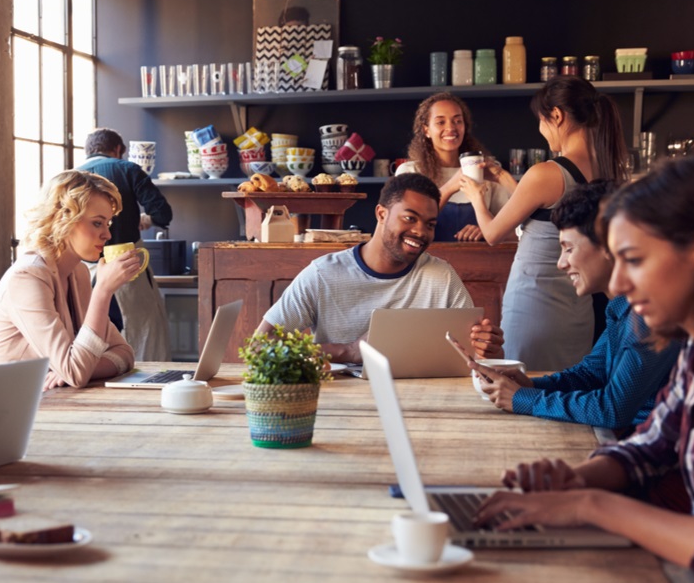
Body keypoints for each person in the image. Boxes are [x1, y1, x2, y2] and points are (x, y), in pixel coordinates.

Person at [475, 152, 694, 583]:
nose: (616, 285)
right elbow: (649, 448)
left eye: (634, 261)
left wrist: (590, 505)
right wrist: (575, 480)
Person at [476, 180, 680, 435]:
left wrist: (523, 399)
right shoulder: (622, 307)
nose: (561, 263)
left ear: (609, 245)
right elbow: (590, 374)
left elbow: (613, 409)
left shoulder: (648, 314)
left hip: (653, 456)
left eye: (568, 249)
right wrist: (530, 386)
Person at [463, 75, 629, 372]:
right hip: (578, 311)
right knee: (566, 390)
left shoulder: (546, 173)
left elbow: (492, 234)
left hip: (534, 305)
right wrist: (504, 179)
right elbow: (550, 213)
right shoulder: (608, 169)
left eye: (541, 121)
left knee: (524, 391)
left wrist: (476, 196)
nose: (541, 130)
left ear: (556, 116)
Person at [256, 173, 503, 364]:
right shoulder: (323, 274)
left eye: (430, 224)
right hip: (338, 407)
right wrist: (348, 351)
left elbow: (475, 355)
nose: (420, 231)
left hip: (423, 403)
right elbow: (259, 346)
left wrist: (489, 347)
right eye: (409, 218)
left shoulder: (441, 276)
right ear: (381, 214)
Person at [0, 170, 138, 390]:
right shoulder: (27, 278)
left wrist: (79, 368)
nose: (108, 235)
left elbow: (125, 354)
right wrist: (103, 291)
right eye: (97, 223)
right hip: (5, 413)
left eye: (107, 224)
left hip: (46, 402)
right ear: (64, 219)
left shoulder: (78, 272)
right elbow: (75, 373)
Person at [76, 128, 173, 361]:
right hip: (128, 267)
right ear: (118, 150)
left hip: (84, 273)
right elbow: (163, 213)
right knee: (144, 331)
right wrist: (146, 220)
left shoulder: (72, 177)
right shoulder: (128, 169)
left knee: (94, 337)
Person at [395, 92, 512, 242]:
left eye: (457, 121)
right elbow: (404, 226)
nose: (451, 128)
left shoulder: (487, 170)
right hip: (425, 262)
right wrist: (451, 186)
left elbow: (516, 231)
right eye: (440, 122)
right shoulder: (409, 172)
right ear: (426, 130)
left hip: (479, 262)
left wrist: (486, 230)